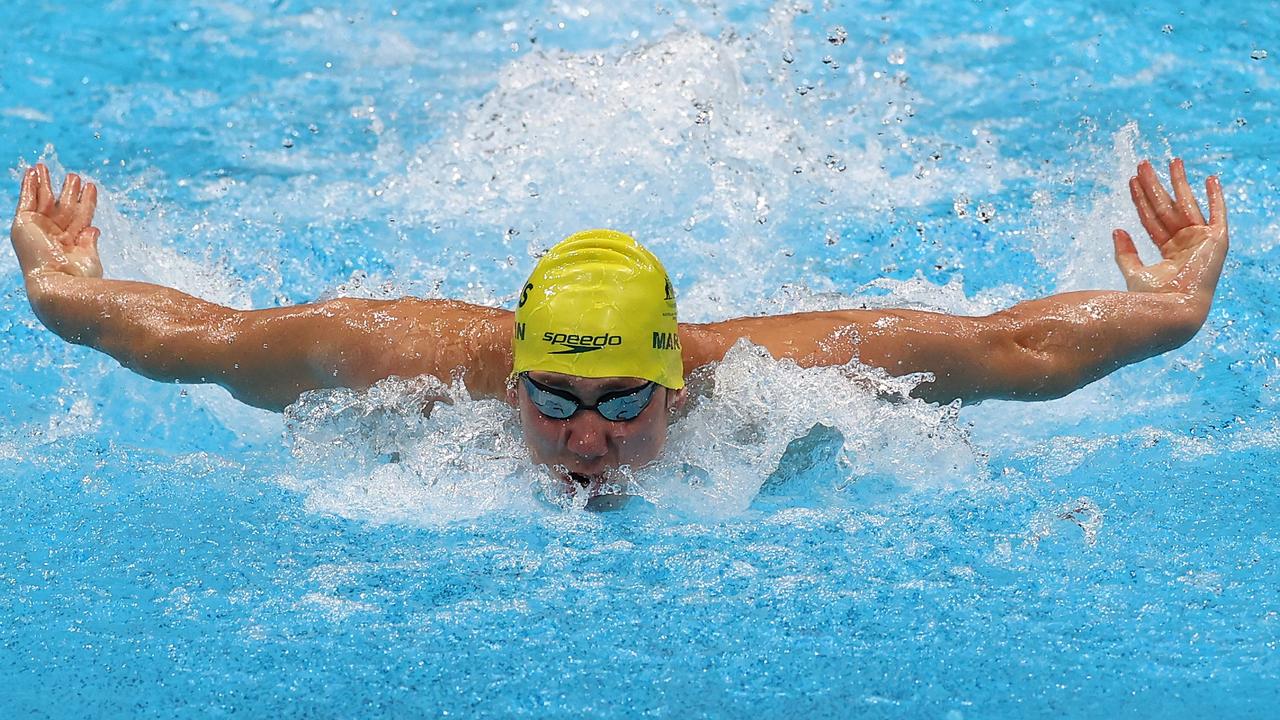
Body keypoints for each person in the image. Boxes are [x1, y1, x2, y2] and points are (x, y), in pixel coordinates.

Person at [9, 160, 1229, 495]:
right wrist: (68, 291)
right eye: (550, 400)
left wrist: (1170, 305)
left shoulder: (764, 377)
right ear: (515, 375)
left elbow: (1009, 350)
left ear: (675, 387)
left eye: (617, 406)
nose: (580, 442)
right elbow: (189, 338)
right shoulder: (399, 363)